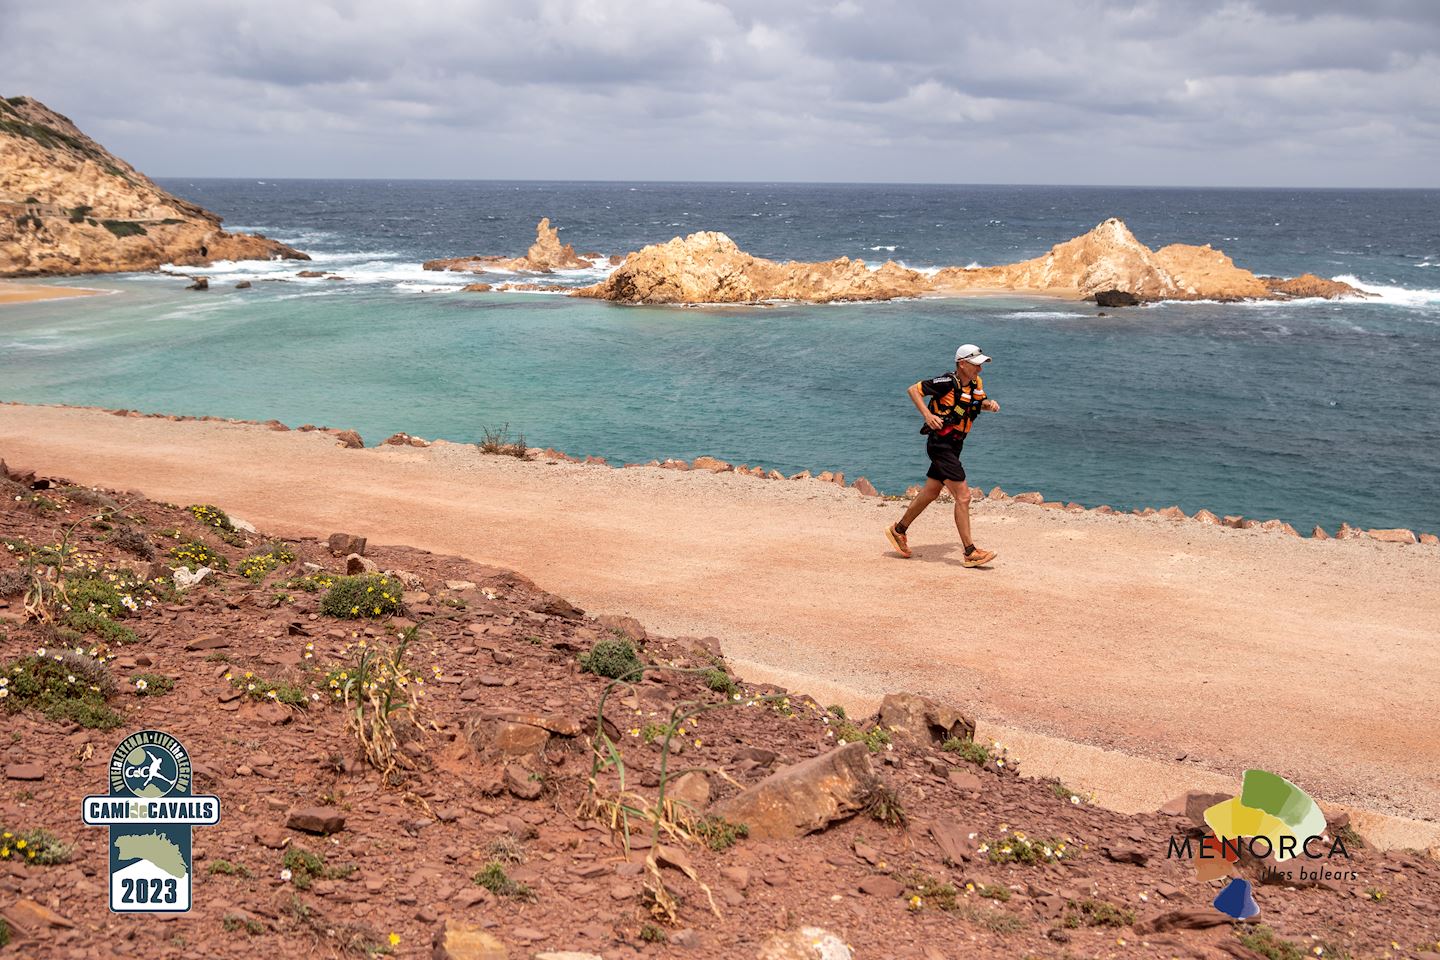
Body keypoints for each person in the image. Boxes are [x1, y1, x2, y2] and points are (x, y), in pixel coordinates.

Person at [885, 344, 999, 566]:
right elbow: (913, 390)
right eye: (976, 365)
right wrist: (927, 415)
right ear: (962, 364)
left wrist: (988, 405)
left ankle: (898, 530)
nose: (980, 370)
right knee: (963, 496)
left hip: (955, 445)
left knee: (931, 492)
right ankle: (970, 552)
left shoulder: (975, 384)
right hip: (941, 445)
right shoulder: (946, 382)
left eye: (981, 365)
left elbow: (974, 405)